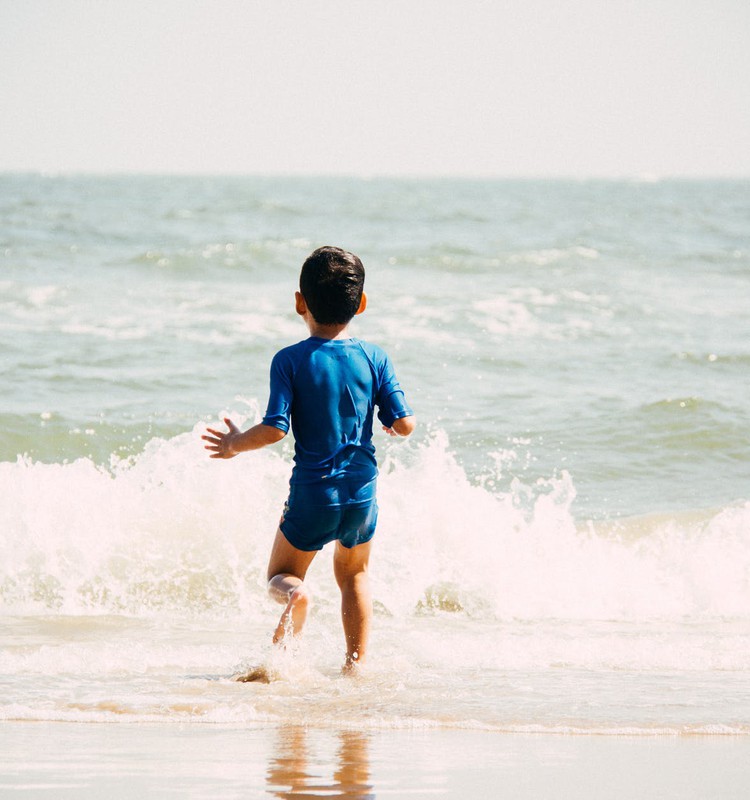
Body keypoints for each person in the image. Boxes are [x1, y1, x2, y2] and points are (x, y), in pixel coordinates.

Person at [202, 246, 415, 673]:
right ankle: (356, 667)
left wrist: (235, 443)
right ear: (362, 303)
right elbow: (405, 423)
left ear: (299, 302)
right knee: (354, 575)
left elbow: (276, 429)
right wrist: (391, 426)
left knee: (280, 578)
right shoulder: (375, 358)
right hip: (361, 493)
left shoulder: (290, 360)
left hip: (313, 495)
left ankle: (295, 602)